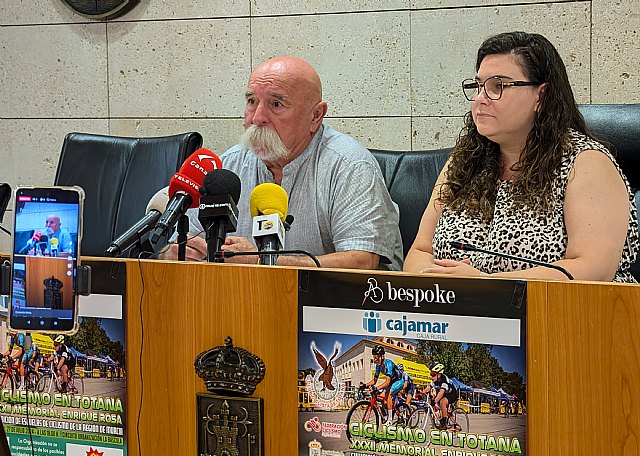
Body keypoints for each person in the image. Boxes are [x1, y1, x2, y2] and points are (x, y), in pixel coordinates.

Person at [404, 32, 639, 282]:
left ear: (541, 95)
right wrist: (431, 279)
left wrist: (487, 287)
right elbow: (420, 251)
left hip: (570, 315)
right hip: (466, 314)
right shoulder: (463, 162)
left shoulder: (585, 163)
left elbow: (592, 269)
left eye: (498, 86)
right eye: (478, 86)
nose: (480, 99)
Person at [164, 56, 403, 270]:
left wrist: (263, 261)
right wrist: (177, 252)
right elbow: (179, 243)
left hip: (322, 311)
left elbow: (363, 262)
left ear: (315, 116)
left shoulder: (350, 166)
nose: (257, 118)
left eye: (276, 104)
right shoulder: (227, 166)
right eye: (251, 101)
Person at [365, 345, 403, 423]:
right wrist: (364, 385)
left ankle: (390, 420)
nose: (375, 360)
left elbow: (387, 382)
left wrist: (376, 388)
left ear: (382, 356)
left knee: (388, 393)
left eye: (376, 357)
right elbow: (374, 381)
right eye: (374, 357)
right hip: (391, 382)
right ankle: (394, 413)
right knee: (381, 398)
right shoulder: (378, 366)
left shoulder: (388, 364)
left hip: (399, 381)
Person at [428, 362, 458, 429]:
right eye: (430, 374)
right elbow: (428, 388)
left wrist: (435, 401)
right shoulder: (435, 380)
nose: (431, 376)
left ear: (439, 374)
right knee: (437, 404)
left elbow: (441, 392)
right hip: (445, 394)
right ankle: (444, 416)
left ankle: (444, 423)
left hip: (452, 394)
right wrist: (420, 393)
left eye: (433, 374)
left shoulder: (444, 379)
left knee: (442, 402)